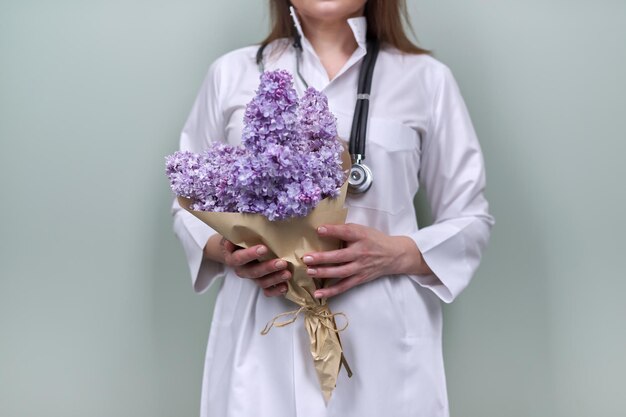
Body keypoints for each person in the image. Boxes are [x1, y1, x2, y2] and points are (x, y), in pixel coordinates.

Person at [171, 0, 495, 416]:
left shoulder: (427, 80)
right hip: (261, 331)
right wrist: (228, 250)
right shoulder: (232, 73)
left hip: (382, 335)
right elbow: (186, 201)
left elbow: (471, 218)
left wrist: (394, 254)